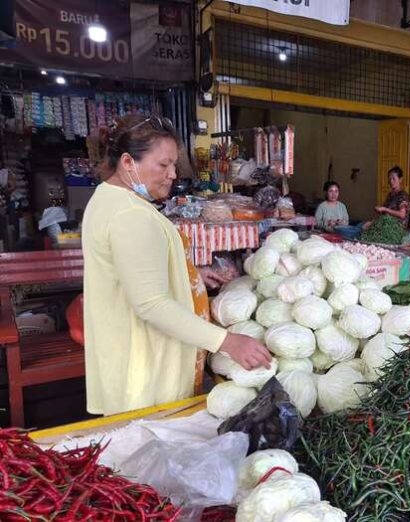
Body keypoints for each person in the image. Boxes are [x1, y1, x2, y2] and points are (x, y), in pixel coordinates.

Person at [82, 114, 272, 416]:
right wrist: (226, 341)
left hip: (133, 356)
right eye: (163, 164)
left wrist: (188, 276)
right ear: (128, 162)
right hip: (147, 370)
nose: (173, 174)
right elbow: (151, 304)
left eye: (174, 165)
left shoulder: (110, 199)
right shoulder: (130, 214)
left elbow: (132, 272)